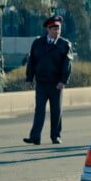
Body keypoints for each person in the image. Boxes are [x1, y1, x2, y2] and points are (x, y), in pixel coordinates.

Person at [23, 16, 73, 145]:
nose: (57, 31)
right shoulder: (38, 43)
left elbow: (67, 64)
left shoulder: (64, 44)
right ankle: (35, 137)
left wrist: (63, 81)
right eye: (54, 29)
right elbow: (32, 62)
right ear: (48, 29)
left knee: (56, 110)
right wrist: (29, 78)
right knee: (39, 110)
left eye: (58, 29)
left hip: (56, 84)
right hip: (41, 83)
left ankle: (55, 136)